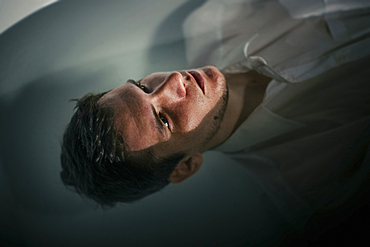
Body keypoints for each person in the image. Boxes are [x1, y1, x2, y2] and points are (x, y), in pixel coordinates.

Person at [60, 0, 370, 225]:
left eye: (143, 86)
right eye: (164, 120)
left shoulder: (214, 20)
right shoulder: (319, 183)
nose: (172, 82)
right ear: (186, 167)